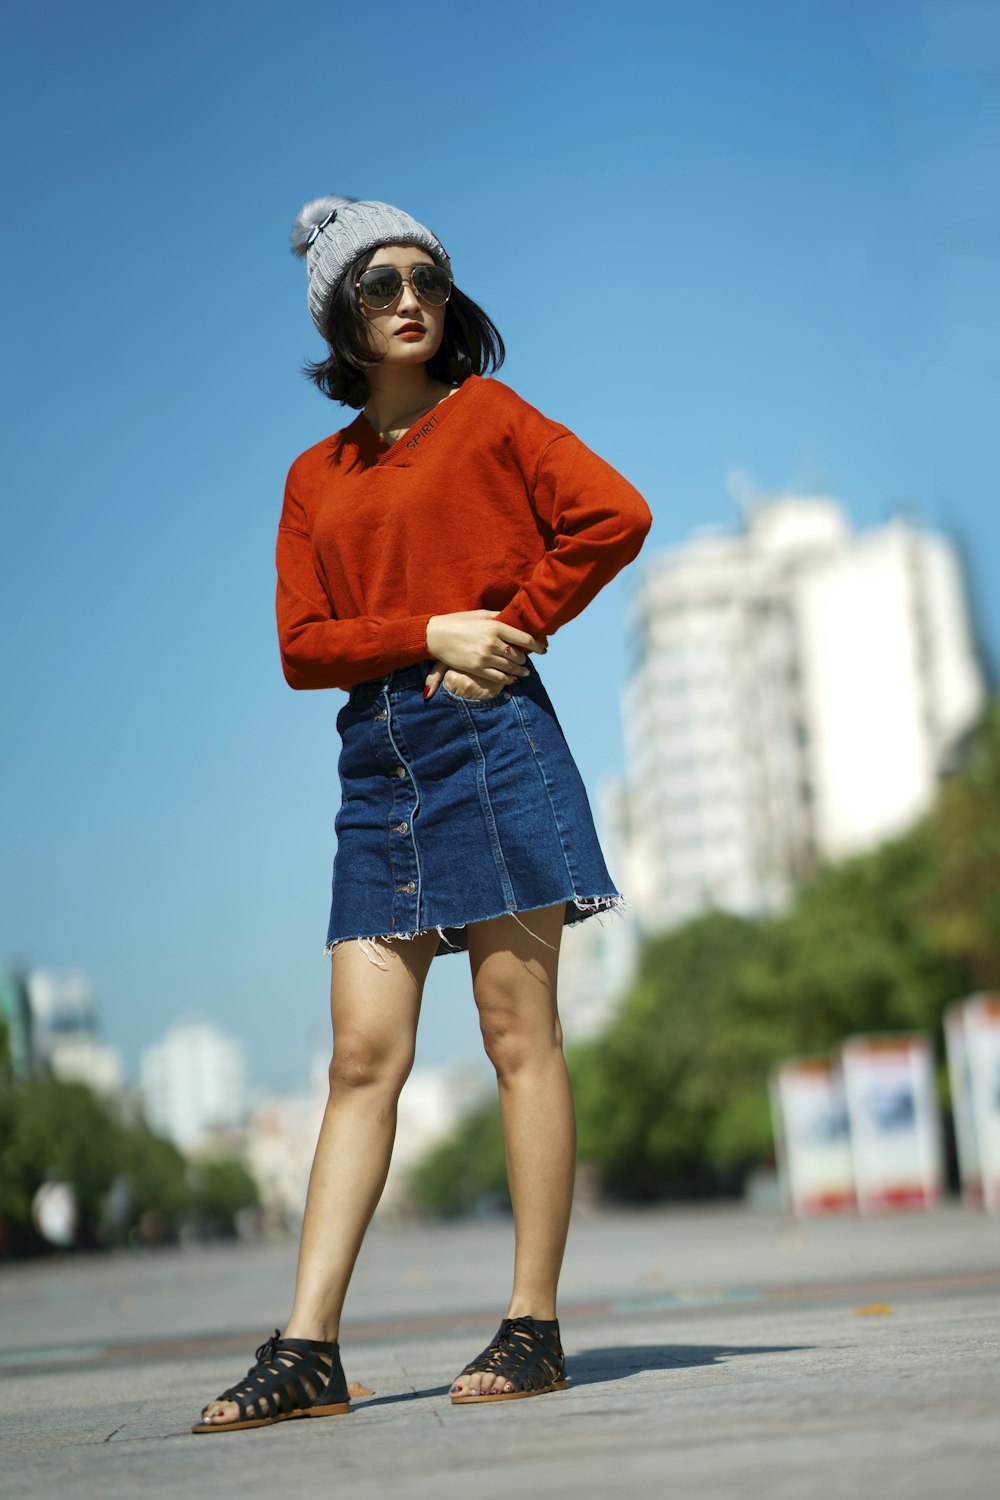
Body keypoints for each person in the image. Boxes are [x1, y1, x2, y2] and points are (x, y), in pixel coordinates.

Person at [193, 195, 651, 1433]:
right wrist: (428, 628)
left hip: (495, 740)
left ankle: (534, 1326)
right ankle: (307, 1348)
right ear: (340, 312)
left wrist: (514, 624)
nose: (410, 298)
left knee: (517, 1036)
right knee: (358, 1057)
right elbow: (303, 646)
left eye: (429, 278)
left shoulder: (490, 420)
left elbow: (616, 516)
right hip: (377, 765)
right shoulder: (313, 477)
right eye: (382, 282)